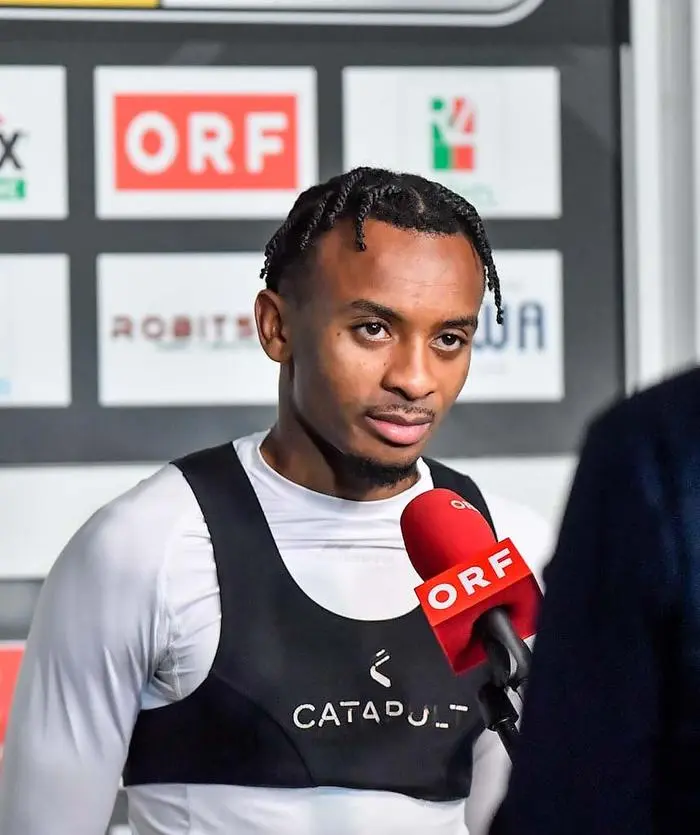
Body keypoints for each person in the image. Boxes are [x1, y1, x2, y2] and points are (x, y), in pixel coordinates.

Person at [0, 166, 549, 835]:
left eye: (448, 340)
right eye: (373, 328)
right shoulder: (145, 548)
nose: (414, 377)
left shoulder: (506, 550)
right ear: (275, 327)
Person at [489, 365, 700, 835]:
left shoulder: (654, 448)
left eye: (449, 340)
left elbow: (572, 798)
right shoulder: (658, 449)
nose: (413, 377)